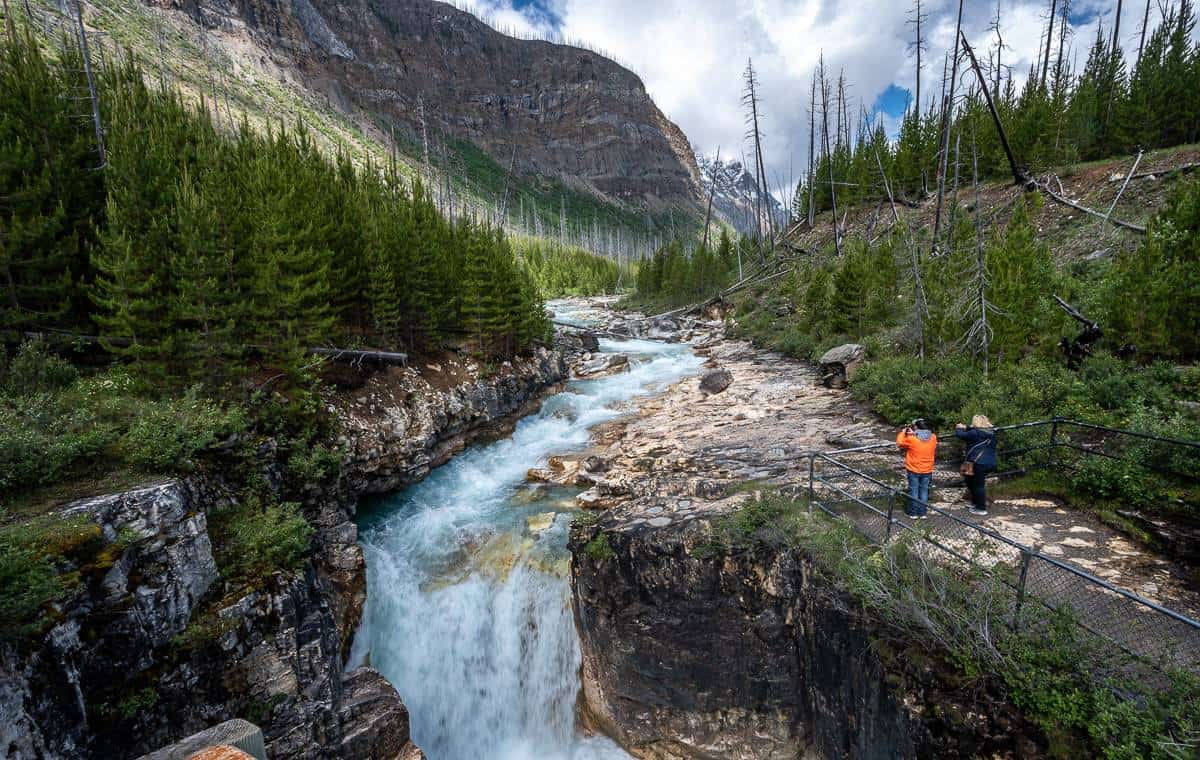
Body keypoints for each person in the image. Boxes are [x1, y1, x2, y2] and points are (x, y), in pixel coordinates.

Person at [956, 415, 998, 516]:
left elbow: (960, 435)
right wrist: (966, 427)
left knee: (978, 486)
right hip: (989, 462)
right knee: (970, 481)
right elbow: (973, 430)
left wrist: (958, 427)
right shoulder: (991, 432)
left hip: (978, 463)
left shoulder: (974, 433)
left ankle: (981, 508)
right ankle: (975, 502)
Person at [895, 419, 937, 519]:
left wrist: (903, 432)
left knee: (913, 490)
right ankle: (922, 512)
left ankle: (912, 512)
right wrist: (914, 433)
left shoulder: (912, 439)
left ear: (917, 428)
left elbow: (899, 443)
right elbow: (924, 436)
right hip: (927, 469)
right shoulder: (933, 437)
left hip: (914, 469)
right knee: (924, 491)